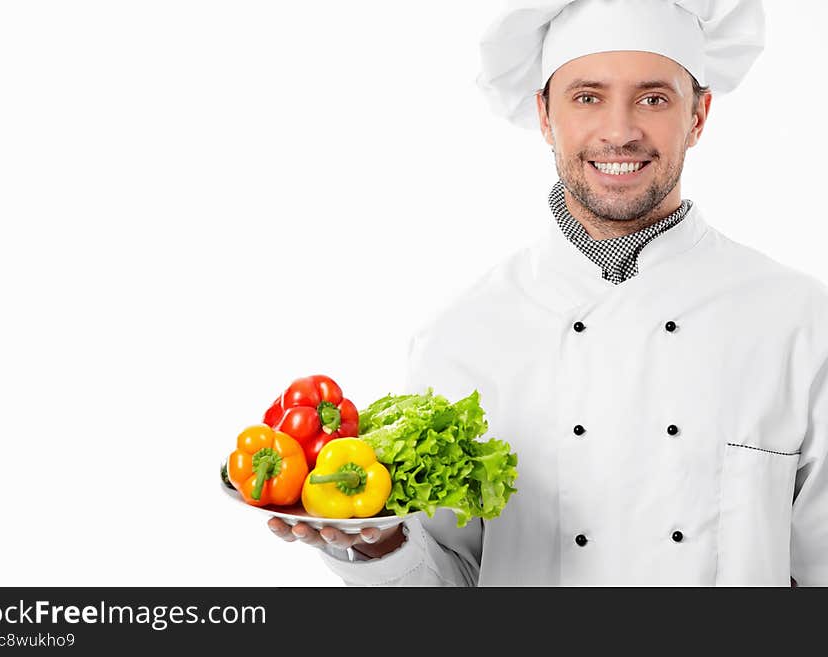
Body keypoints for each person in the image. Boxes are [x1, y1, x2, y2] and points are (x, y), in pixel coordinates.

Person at [267, 0, 828, 586]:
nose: (620, 130)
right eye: (588, 97)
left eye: (654, 98)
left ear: (699, 115)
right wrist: (377, 546)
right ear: (544, 114)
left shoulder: (799, 323)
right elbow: (446, 585)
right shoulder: (463, 334)